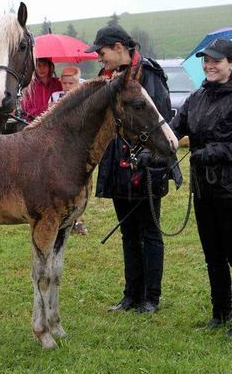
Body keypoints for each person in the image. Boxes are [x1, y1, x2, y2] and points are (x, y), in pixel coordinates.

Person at [171, 38, 232, 336]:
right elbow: (175, 128)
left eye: (216, 61)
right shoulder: (196, 97)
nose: (209, 65)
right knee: (212, 255)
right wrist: (155, 142)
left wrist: (217, 152)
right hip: (204, 187)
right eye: (206, 60)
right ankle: (220, 312)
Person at [88, 24, 181, 314]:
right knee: (128, 233)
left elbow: (159, 120)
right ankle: (131, 295)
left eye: (101, 52)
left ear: (118, 47)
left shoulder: (150, 76)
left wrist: (149, 161)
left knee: (150, 231)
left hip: (148, 165)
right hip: (118, 164)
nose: (98, 58)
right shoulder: (109, 79)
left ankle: (151, 298)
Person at [46, 65, 88, 236]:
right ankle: (60, 215)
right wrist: (54, 108)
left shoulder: (84, 97)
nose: (67, 86)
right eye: (64, 83)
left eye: (71, 83)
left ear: (78, 83)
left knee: (76, 183)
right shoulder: (55, 96)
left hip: (76, 147)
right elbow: (48, 118)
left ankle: (78, 219)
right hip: (58, 147)